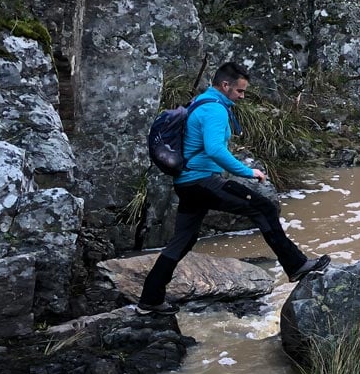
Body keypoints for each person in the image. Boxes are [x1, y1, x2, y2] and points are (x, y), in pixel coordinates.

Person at [137, 62, 329, 315]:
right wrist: (248, 172)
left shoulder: (201, 101)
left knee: (181, 241)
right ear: (225, 85)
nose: (241, 96)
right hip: (202, 181)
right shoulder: (215, 110)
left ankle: (150, 299)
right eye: (240, 91)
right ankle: (296, 265)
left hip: (186, 183)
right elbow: (215, 149)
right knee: (264, 208)